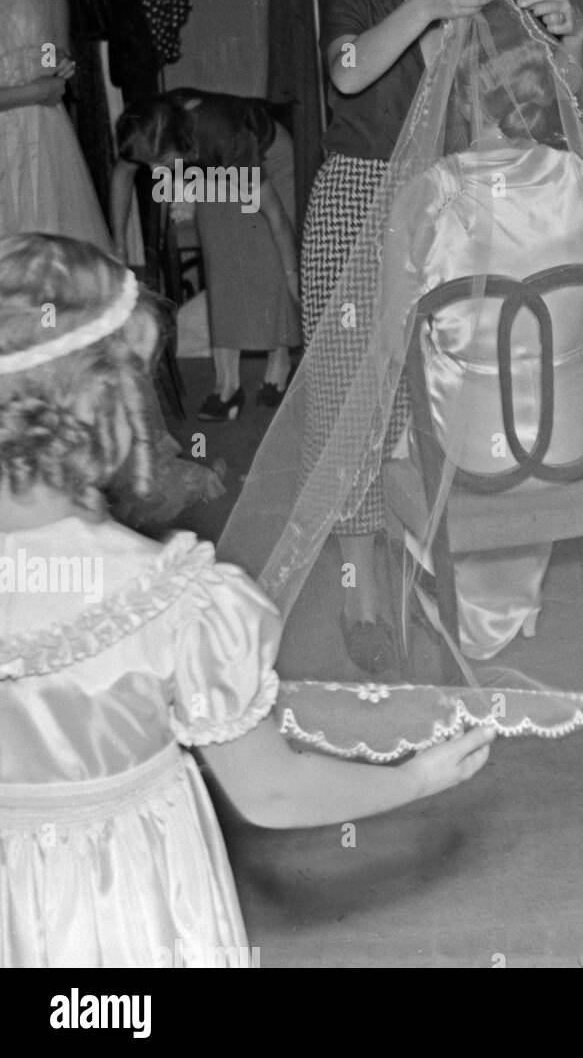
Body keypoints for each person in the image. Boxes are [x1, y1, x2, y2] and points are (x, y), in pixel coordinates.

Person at [0, 233, 493, 968]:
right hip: (136, 896)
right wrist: (415, 778)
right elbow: (271, 792)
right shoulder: (168, 597)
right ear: (112, 402)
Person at [302, 0, 583, 670]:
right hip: (359, 199)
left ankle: (450, 576)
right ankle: (361, 596)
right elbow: (350, 73)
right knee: (351, 397)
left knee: (450, 387)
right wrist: (428, 3)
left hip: (456, 204)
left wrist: (566, 31)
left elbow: (547, 103)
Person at [382, 0, 583, 660]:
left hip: (470, 455)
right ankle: (504, 600)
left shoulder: (434, 191)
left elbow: (393, 334)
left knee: (416, 408)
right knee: (558, 365)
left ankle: (467, 601)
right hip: (580, 445)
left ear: (463, 101)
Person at [110, 89, 301, 418]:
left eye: (162, 163)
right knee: (221, 263)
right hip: (207, 164)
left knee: (269, 256)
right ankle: (226, 385)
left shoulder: (223, 134)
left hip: (265, 153)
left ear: (180, 141)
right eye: (150, 165)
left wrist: (293, 278)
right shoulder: (147, 130)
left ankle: (279, 365)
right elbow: (123, 175)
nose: (157, 174)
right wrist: (118, 250)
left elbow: (277, 220)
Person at [0, 0, 112, 252]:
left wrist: (55, 59)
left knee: (54, 257)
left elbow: (52, 4)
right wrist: (35, 90)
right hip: (25, 110)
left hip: (41, 134)